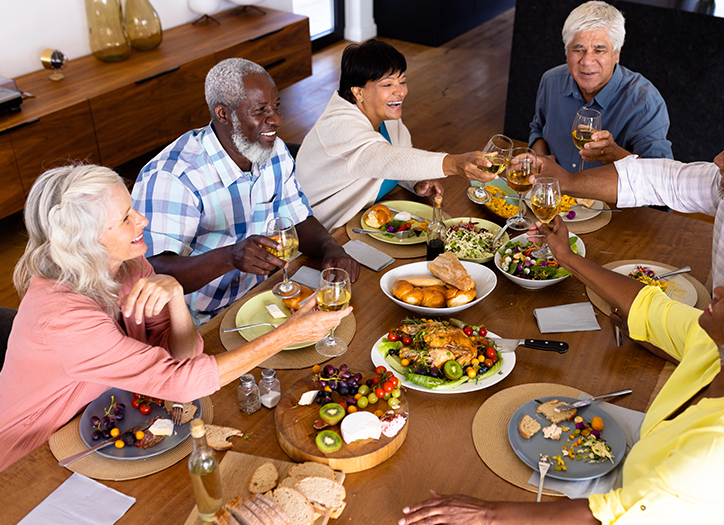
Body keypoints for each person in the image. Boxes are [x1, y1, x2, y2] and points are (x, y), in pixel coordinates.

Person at [399, 216, 724, 525]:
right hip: (646, 489)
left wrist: (482, 514)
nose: (719, 288)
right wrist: (567, 256)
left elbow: (603, 524)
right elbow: (648, 307)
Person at [0, 165, 351, 471]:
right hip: (30, 458)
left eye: (132, 209)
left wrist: (174, 296)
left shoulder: (130, 264)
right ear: (85, 241)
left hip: (101, 424)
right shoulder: (62, 318)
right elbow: (183, 382)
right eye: (125, 219)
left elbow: (183, 358)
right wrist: (287, 334)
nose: (142, 221)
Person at [532, 106, 724, 416]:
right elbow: (664, 179)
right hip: (712, 338)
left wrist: (657, 338)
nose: (718, 160)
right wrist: (566, 180)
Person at [132, 58, 359, 326]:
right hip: (196, 322)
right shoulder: (173, 176)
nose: (275, 119)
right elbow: (153, 271)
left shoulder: (274, 151)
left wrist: (331, 248)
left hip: (262, 297)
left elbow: (297, 218)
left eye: (276, 106)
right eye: (260, 110)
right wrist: (229, 257)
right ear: (223, 114)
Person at [295, 39, 497, 231]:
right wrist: (455, 163)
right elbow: (386, 159)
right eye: (387, 84)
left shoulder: (386, 117)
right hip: (316, 234)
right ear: (358, 92)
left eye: (402, 81)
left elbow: (398, 159)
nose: (400, 92)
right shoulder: (339, 128)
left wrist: (414, 182)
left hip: (360, 219)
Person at [529, 1, 672, 171]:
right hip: (554, 193)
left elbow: (659, 175)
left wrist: (616, 155)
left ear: (617, 53)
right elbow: (538, 130)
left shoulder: (645, 102)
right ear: (566, 53)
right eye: (578, 49)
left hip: (610, 198)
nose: (587, 61)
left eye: (599, 50)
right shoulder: (551, 81)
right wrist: (543, 159)